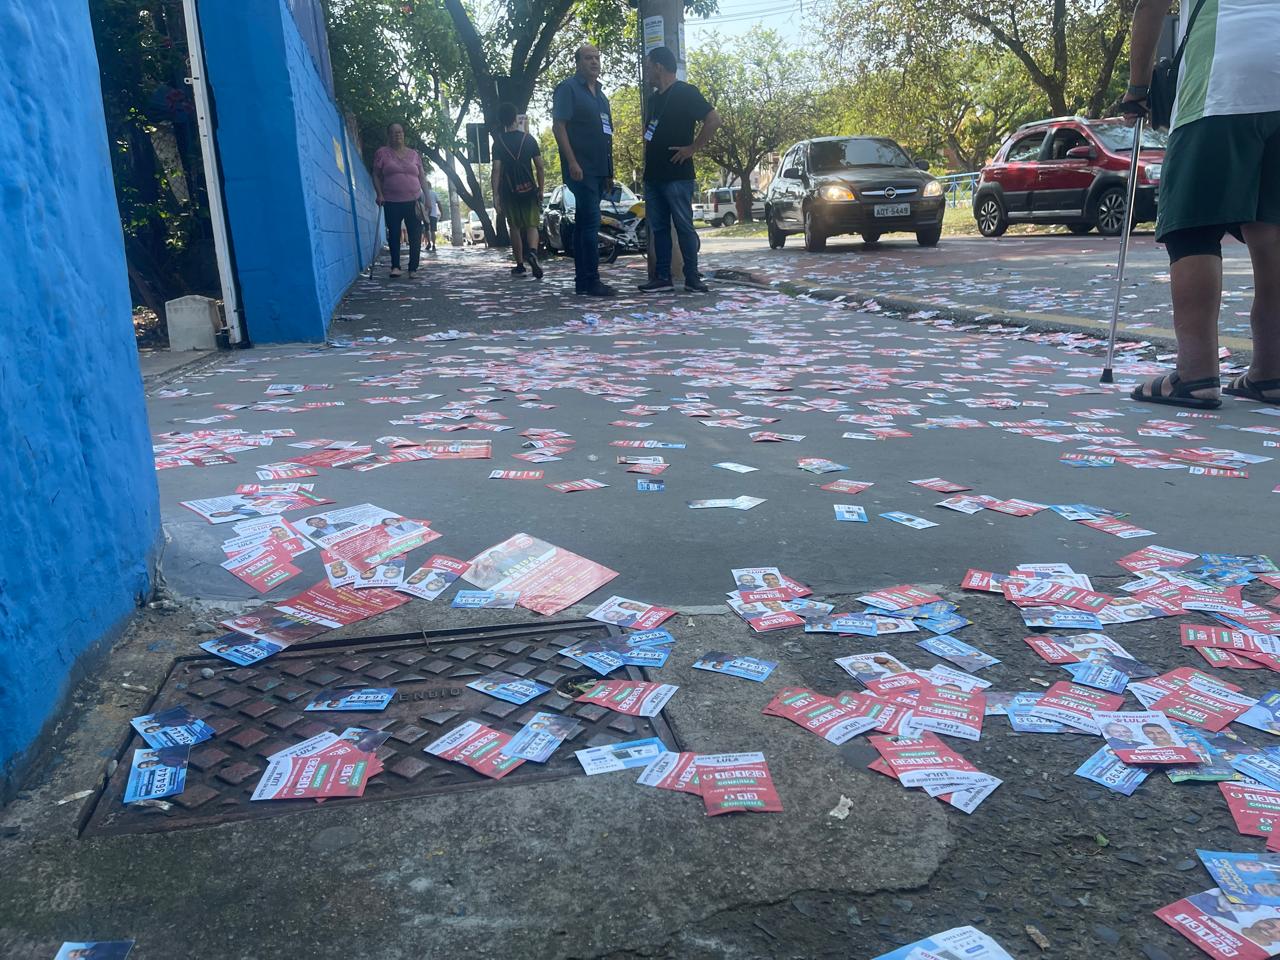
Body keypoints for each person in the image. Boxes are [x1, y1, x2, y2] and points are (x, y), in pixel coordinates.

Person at [1124, 0, 1280, 408]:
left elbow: (1151, 6)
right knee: (1273, 229)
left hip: (1221, 81)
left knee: (1192, 226)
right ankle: (1271, 373)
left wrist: (1137, 89)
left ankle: (1196, 375)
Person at [637, 46, 721, 295]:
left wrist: (692, 148)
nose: (646, 72)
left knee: (683, 225)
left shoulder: (686, 93)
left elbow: (714, 119)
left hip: (677, 174)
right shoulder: (652, 99)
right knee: (659, 227)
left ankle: (692, 277)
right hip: (653, 175)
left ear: (659, 66)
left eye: (648, 66)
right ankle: (662, 277)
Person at [552, 45, 617, 297]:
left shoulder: (601, 95)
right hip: (581, 169)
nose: (594, 62)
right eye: (589, 58)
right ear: (578, 62)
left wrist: (609, 172)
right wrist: (572, 161)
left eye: (597, 58)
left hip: (600, 170)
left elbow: (607, 135)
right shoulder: (568, 89)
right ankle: (591, 280)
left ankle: (583, 281)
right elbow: (559, 127)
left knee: (584, 226)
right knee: (590, 224)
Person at [491, 102, 546, 280]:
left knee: (514, 227)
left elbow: (496, 170)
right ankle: (532, 252)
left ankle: (520, 265)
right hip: (529, 188)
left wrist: (496, 195)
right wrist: (541, 189)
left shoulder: (498, 142)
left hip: (510, 190)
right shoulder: (529, 139)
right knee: (532, 224)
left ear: (501, 121)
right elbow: (539, 167)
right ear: (516, 118)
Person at [372, 123, 431, 278]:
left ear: (404, 134)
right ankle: (396, 266)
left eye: (399, 132)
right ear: (389, 135)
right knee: (394, 233)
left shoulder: (414, 154)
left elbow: (422, 177)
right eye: (393, 133)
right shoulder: (382, 153)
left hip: (414, 200)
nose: (397, 135)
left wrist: (428, 199)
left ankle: (413, 268)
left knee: (415, 234)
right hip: (391, 200)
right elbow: (376, 175)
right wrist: (379, 194)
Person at [425, 184, 441, 252]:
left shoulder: (422, 193)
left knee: (427, 230)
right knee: (433, 230)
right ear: (431, 186)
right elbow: (439, 203)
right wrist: (441, 212)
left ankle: (429, 243)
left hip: (425, 215)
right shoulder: (434, 193)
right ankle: (434, 245)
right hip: (433, 214)